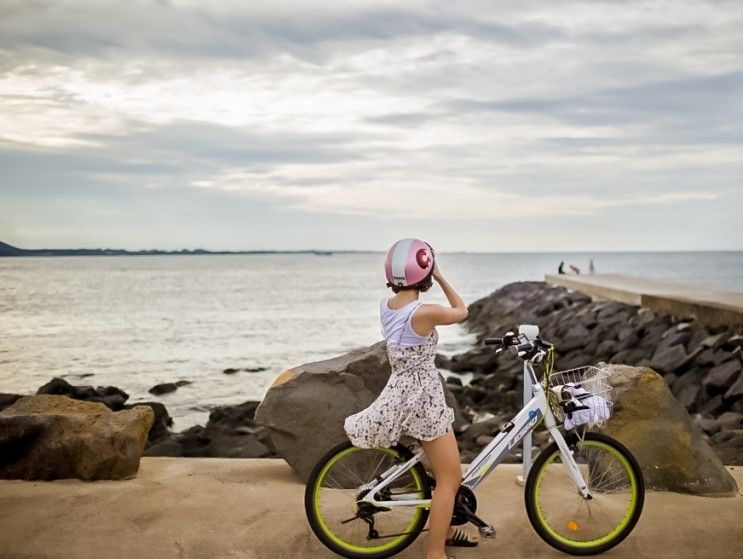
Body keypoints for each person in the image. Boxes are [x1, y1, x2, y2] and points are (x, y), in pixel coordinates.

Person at [343, 238, 478, 559]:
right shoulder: (425, 312)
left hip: (402, 390)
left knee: (436, 470)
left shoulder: (386, 307)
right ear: (425, 272)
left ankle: (444, 528)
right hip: (423, 399)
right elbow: (462, 311)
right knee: (450, 478)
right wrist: (442, 277)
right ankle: (435, 552)